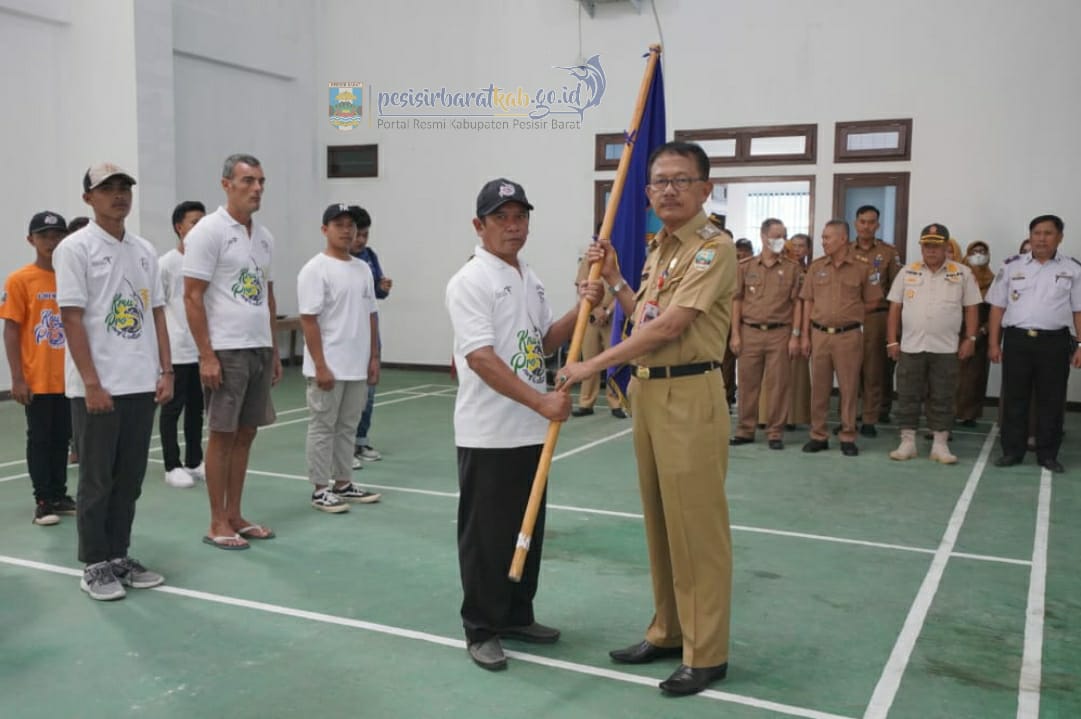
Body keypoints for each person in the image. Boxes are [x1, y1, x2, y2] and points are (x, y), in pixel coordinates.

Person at [559, 141, 736, 697]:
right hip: (650, 395)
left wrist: (592, 362)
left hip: (690, 395)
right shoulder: (661, 249)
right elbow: (645, 316)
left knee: (697, 529)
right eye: (659, 181)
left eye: (681, 180)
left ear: (705, 189)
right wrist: (614, 280)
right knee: (660, 522)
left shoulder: (713, 249)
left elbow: (668, 330)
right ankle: (667, 630)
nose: (668, 190)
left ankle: (706, 653)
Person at [445, 178, 603, 672]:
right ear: (480, 225)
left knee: (526, 531)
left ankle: (516, 614)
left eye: (520, 217)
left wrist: (583, 308)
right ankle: (481, 627)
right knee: (486, 536)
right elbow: (481, 359)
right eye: (501, 218)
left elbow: (543, 341)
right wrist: (539, 401)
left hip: (531, 431)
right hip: (490, 432)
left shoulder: (526, 276)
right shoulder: (470, 281)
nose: (513, 227)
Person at [54, 163, 172, 600]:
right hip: (98, 387)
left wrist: (166, 370)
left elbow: (156, 312)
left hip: (140, 384)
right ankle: (95, 564)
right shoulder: (76, 249)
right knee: (97, 479)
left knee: (130, 478)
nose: (118, 195)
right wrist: (91, 382)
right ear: (89, 198)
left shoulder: (143, 250)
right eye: (107, 189)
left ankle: (119, 553)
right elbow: (71, 317)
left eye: (124, 188)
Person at [183, 153, 281, 550]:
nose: (256, 188)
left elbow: (267, 296)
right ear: (226, 185)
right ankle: (216, 521)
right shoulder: (207, 232)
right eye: (248, 181)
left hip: (257, 348)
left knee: (246, 433)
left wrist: (273, 350)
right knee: (222, 435)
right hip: (226, 349)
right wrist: (206, 354)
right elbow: (192, 296)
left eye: (260, 181)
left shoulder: (265, 236)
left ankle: (236, 514)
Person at [299, 204, 382, 513]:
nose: (347, 230)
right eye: (339, 225)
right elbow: (308, 320)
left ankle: (343, 482)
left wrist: (373, 357)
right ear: (325, 230)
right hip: (329, 366)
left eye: (350, 225)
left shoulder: (362, 268)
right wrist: (320, 364)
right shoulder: (315, 269)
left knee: (348, 426)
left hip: (357, 366)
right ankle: (320, 489)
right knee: (323, 425)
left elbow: (371, 313)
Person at [987, 214, 1081, 473]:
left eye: (1048, 233)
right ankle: (1012, 451)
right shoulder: (1011, 266)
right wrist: (994, 343)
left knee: (1051, 399)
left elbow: (1078, 311)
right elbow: (997, 308)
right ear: (1030, 236)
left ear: (1059, 237)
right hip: (1017, 340)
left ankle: (1048, 454)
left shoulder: (1073, 269)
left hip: (1055, 342)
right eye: (1037, 232)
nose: (1041, 238)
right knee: (1014, 397)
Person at [885, 224, 981, 462]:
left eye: (936, 246)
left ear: (946, 247)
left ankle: (940, 444)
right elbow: (895, 308)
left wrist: (970, 338)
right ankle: (907, 443)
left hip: (946, 348)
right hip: (911, 346)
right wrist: (891, 341)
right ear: (921, 246)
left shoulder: (962, 273)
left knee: (944, 396)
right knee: (907, 395)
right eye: (927, 245)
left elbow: (971, 308)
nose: (931, 250)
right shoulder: (907, 272)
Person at [1, 211, 74, 526]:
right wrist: (17, 377)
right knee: (40, 438)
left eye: (58, 235)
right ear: (31, 240)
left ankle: (59, 493)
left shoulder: (73, 275)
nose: (52, 242)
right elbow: (12, 330)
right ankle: (43, 499)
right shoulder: (20, 279)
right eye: (44, 236)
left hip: (70, 378)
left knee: (63, 438)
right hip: (38, 378)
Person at [800, 220, 882, 456]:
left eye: (827, 238)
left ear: (843, 239)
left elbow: (874, 299)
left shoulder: (862, 267)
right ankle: (818, 435)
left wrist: (851, 313)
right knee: (820, 388)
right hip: (820, 335)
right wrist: (805, 335)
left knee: (848, 388)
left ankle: (848, 436)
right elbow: (808, 301)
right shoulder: (816, 267)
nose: (823, 242)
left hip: (849, 336)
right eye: (823, 237)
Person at [729, 218, 801, 449]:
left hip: (780, 333)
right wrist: (735, 334)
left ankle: (775, 432)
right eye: (777, 235)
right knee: (748, 384)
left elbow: (797, 304)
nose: (781, 240)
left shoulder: (792, 268)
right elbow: (736, 301)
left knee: (778, 385)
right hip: (750, 332)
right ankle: (745, 430)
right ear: (763, 237)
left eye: (784, 235)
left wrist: (795, 335)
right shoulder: (745, 266)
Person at [158, 201, 206, 489]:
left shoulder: (204, 263)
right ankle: (171, 465)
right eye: (194, 223)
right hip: (176, 350)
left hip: (200, 350)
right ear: (180, 227)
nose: (200, 228)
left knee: (196, 408)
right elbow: (157, 308)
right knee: (172, 409)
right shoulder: (165, 264)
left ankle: (194, 461)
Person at [849, 205, 900, 435]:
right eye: (862, 221)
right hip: (849, 318)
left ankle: (870, 418)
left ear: (877, 225)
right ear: (855, 223)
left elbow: (896, 291)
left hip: (876, 318)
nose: (866, 226)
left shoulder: (888, 253)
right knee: (849, 369)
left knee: (873, 370)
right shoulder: (845, 251)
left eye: (871, 222)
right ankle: (849, 416)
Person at [348, 206, 392, 467]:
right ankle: (344, 447)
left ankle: (361, 441)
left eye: (365, 235)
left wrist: (383, 288)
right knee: (347, 397)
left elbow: (376, 295)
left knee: (368, 394)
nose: (361, 240)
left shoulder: (369, 257)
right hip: (346, 339)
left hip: (370, 336)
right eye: (357, 234)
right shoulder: (335, 262)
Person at [571, 249, 624, 418]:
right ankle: (586, 402)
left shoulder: (620, 256)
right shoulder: (590, 257)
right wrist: (594, 309)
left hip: (614, 317)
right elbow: (581, 285)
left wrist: (607, 311)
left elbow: (625, 287)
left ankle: (616, 402)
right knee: (589, 359)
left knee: (613, 359)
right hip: (590, 315)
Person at [955, 241, 994, 425]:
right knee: (953, 374)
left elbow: (997, 309)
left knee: (975, 376)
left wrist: (984, 329)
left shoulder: (994, 280)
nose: (978, 255)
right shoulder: (958, 276)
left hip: (982, 332)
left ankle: (970, 414)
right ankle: (950, 412)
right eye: (974, 251)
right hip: (955, 330)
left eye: (982, 251)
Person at [784, 234, 812, 427]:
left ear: (808, 250)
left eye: (801, 246)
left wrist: (802, 332)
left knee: (797, 373)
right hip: (780, 324)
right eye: (793, 245)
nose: (797, 249)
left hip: (803, 325)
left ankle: (794, 416)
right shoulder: (781, 268)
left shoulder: (813, 270)